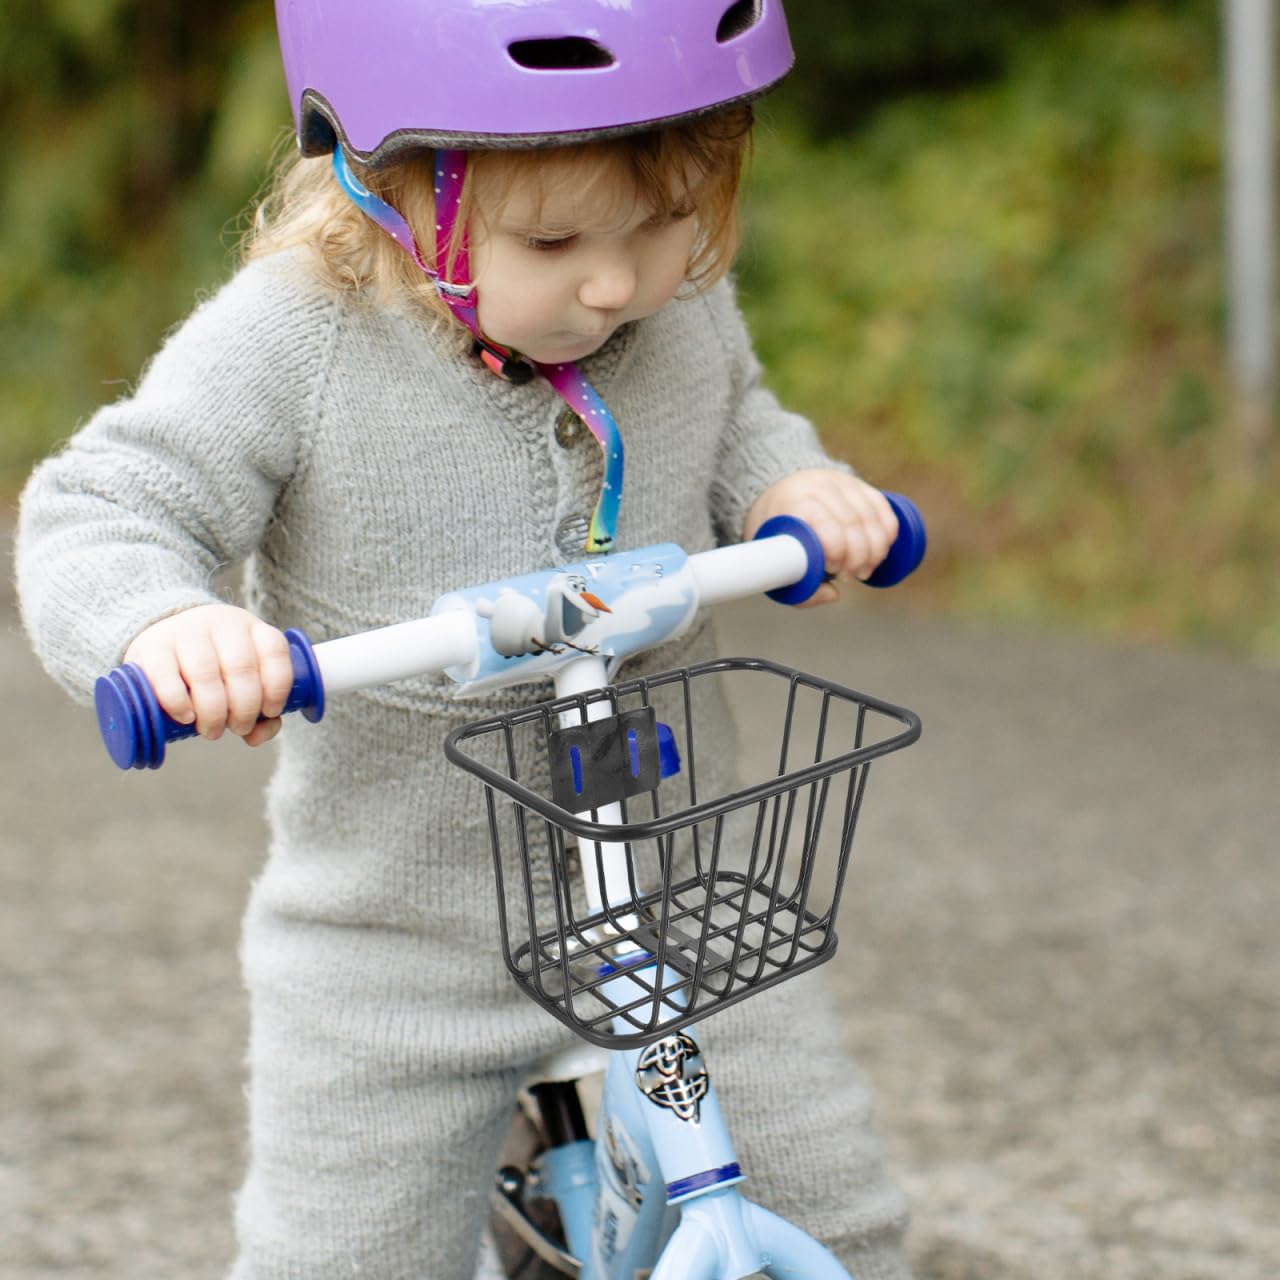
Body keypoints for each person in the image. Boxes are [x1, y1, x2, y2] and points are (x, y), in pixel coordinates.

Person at [15, 1, 913, 1276]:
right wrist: (165, 621)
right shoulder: (297, 336)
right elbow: (104, 505)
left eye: (667, 219)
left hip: (689, 898)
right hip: (399, 944)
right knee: (345, 1257)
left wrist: (792, 489)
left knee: (833, 1206)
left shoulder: (677, 309)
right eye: (551, 239)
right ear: (393, 186)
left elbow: (739, 423)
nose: (616, 285)